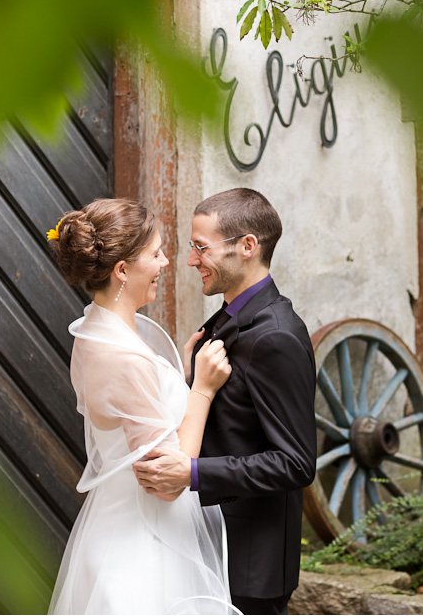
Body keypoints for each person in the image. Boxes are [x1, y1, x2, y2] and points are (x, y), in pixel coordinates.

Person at [45, 198, 238, 615]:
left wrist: (180, 378)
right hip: (146, 553)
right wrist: (202, 389)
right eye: (155, 254)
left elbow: (140, 420)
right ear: (121, 271)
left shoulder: (92, 332)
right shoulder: (126, 357)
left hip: (111, 530)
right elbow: (168, 483)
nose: (167, 262)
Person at [133, 189, 317, 616]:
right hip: (210, 551)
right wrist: (188, 378)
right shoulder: (227, 316)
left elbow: (296, 463)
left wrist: (192, 473)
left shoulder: (276, 337)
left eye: (201, 247)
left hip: (251, 565)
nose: (191, 260)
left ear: (247, 247)